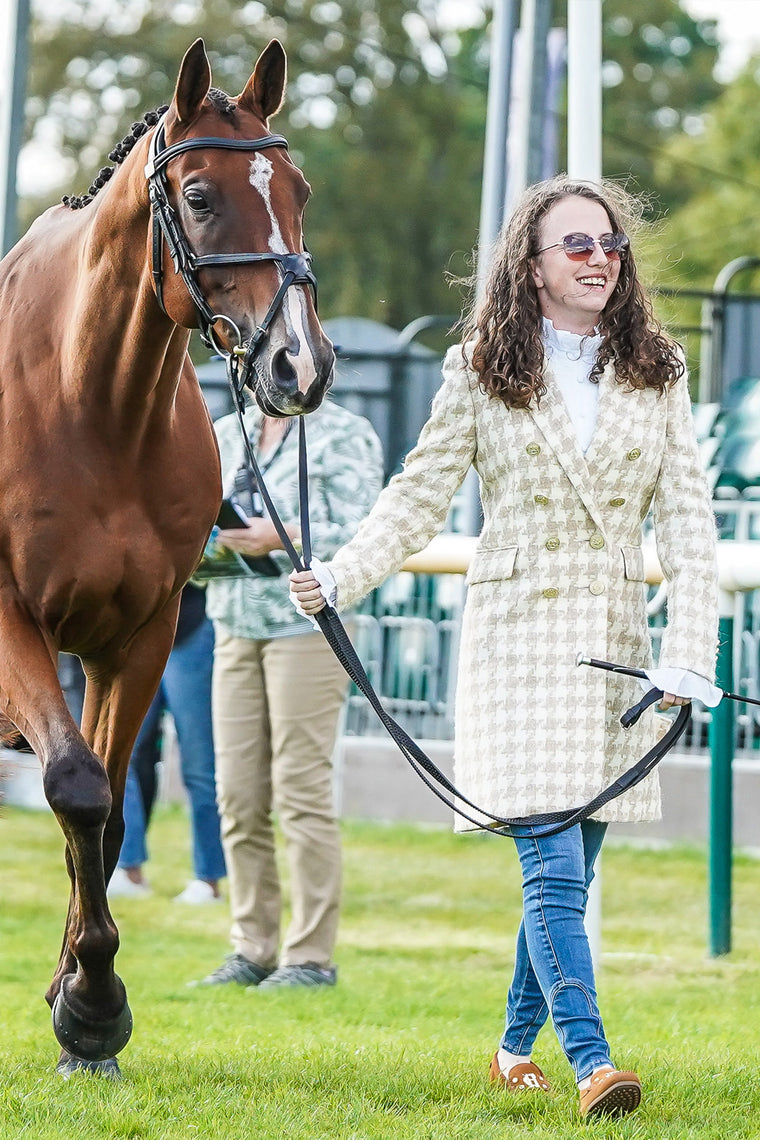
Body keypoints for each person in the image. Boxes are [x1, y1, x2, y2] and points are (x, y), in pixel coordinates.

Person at [290, 177, 718, 1116]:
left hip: (615, 649)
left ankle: (509, 1045)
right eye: (576, 245)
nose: (599, 257)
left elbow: (688, 523)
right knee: (552, 866)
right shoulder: (481, 365)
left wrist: (693, 650)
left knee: (571, 868)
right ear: (531, 264)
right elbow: (417, 494)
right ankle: (595, 1063)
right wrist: (343, 574)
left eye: (609, 243)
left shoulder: (659, 368)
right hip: (516, 646)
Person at [196, 396, 383, 989]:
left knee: (300, 790)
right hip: (232, 622)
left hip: (307, 628)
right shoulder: (225, 433)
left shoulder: (344, 434)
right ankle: (251, 948)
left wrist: (277, 537)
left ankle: (309, 958)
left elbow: (364, 534)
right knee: (237, 796)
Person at [109, 584, 227, 903]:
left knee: (200, 764)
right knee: (123, 757)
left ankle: (208, 879)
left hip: (189, 629)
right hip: (136, 633)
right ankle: (127, 868)